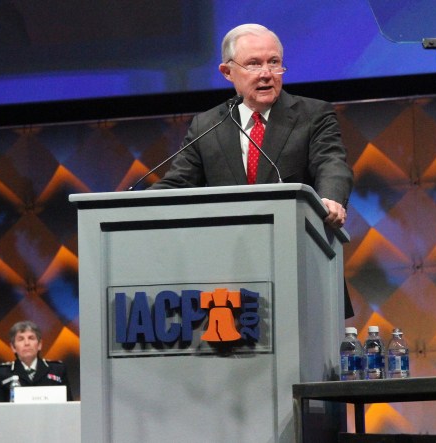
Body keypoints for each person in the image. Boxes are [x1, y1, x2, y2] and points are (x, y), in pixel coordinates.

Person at [150, 23, 354, 315]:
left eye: (274, 63)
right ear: (227, 72)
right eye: (254, 64)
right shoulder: (208, 125)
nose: (266, 74)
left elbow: (331, 162)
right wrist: (128, 207)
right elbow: (178, 182)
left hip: (300, 266)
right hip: (228, 278)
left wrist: (331, 197)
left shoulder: (313, 114)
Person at [0, 320, 73, 402]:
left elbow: (70, 406)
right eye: (21, 339)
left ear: (39, 345)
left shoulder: (57, 370)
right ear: (13, 347)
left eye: (31, 338)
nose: (27, 343)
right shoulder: (2, 373)